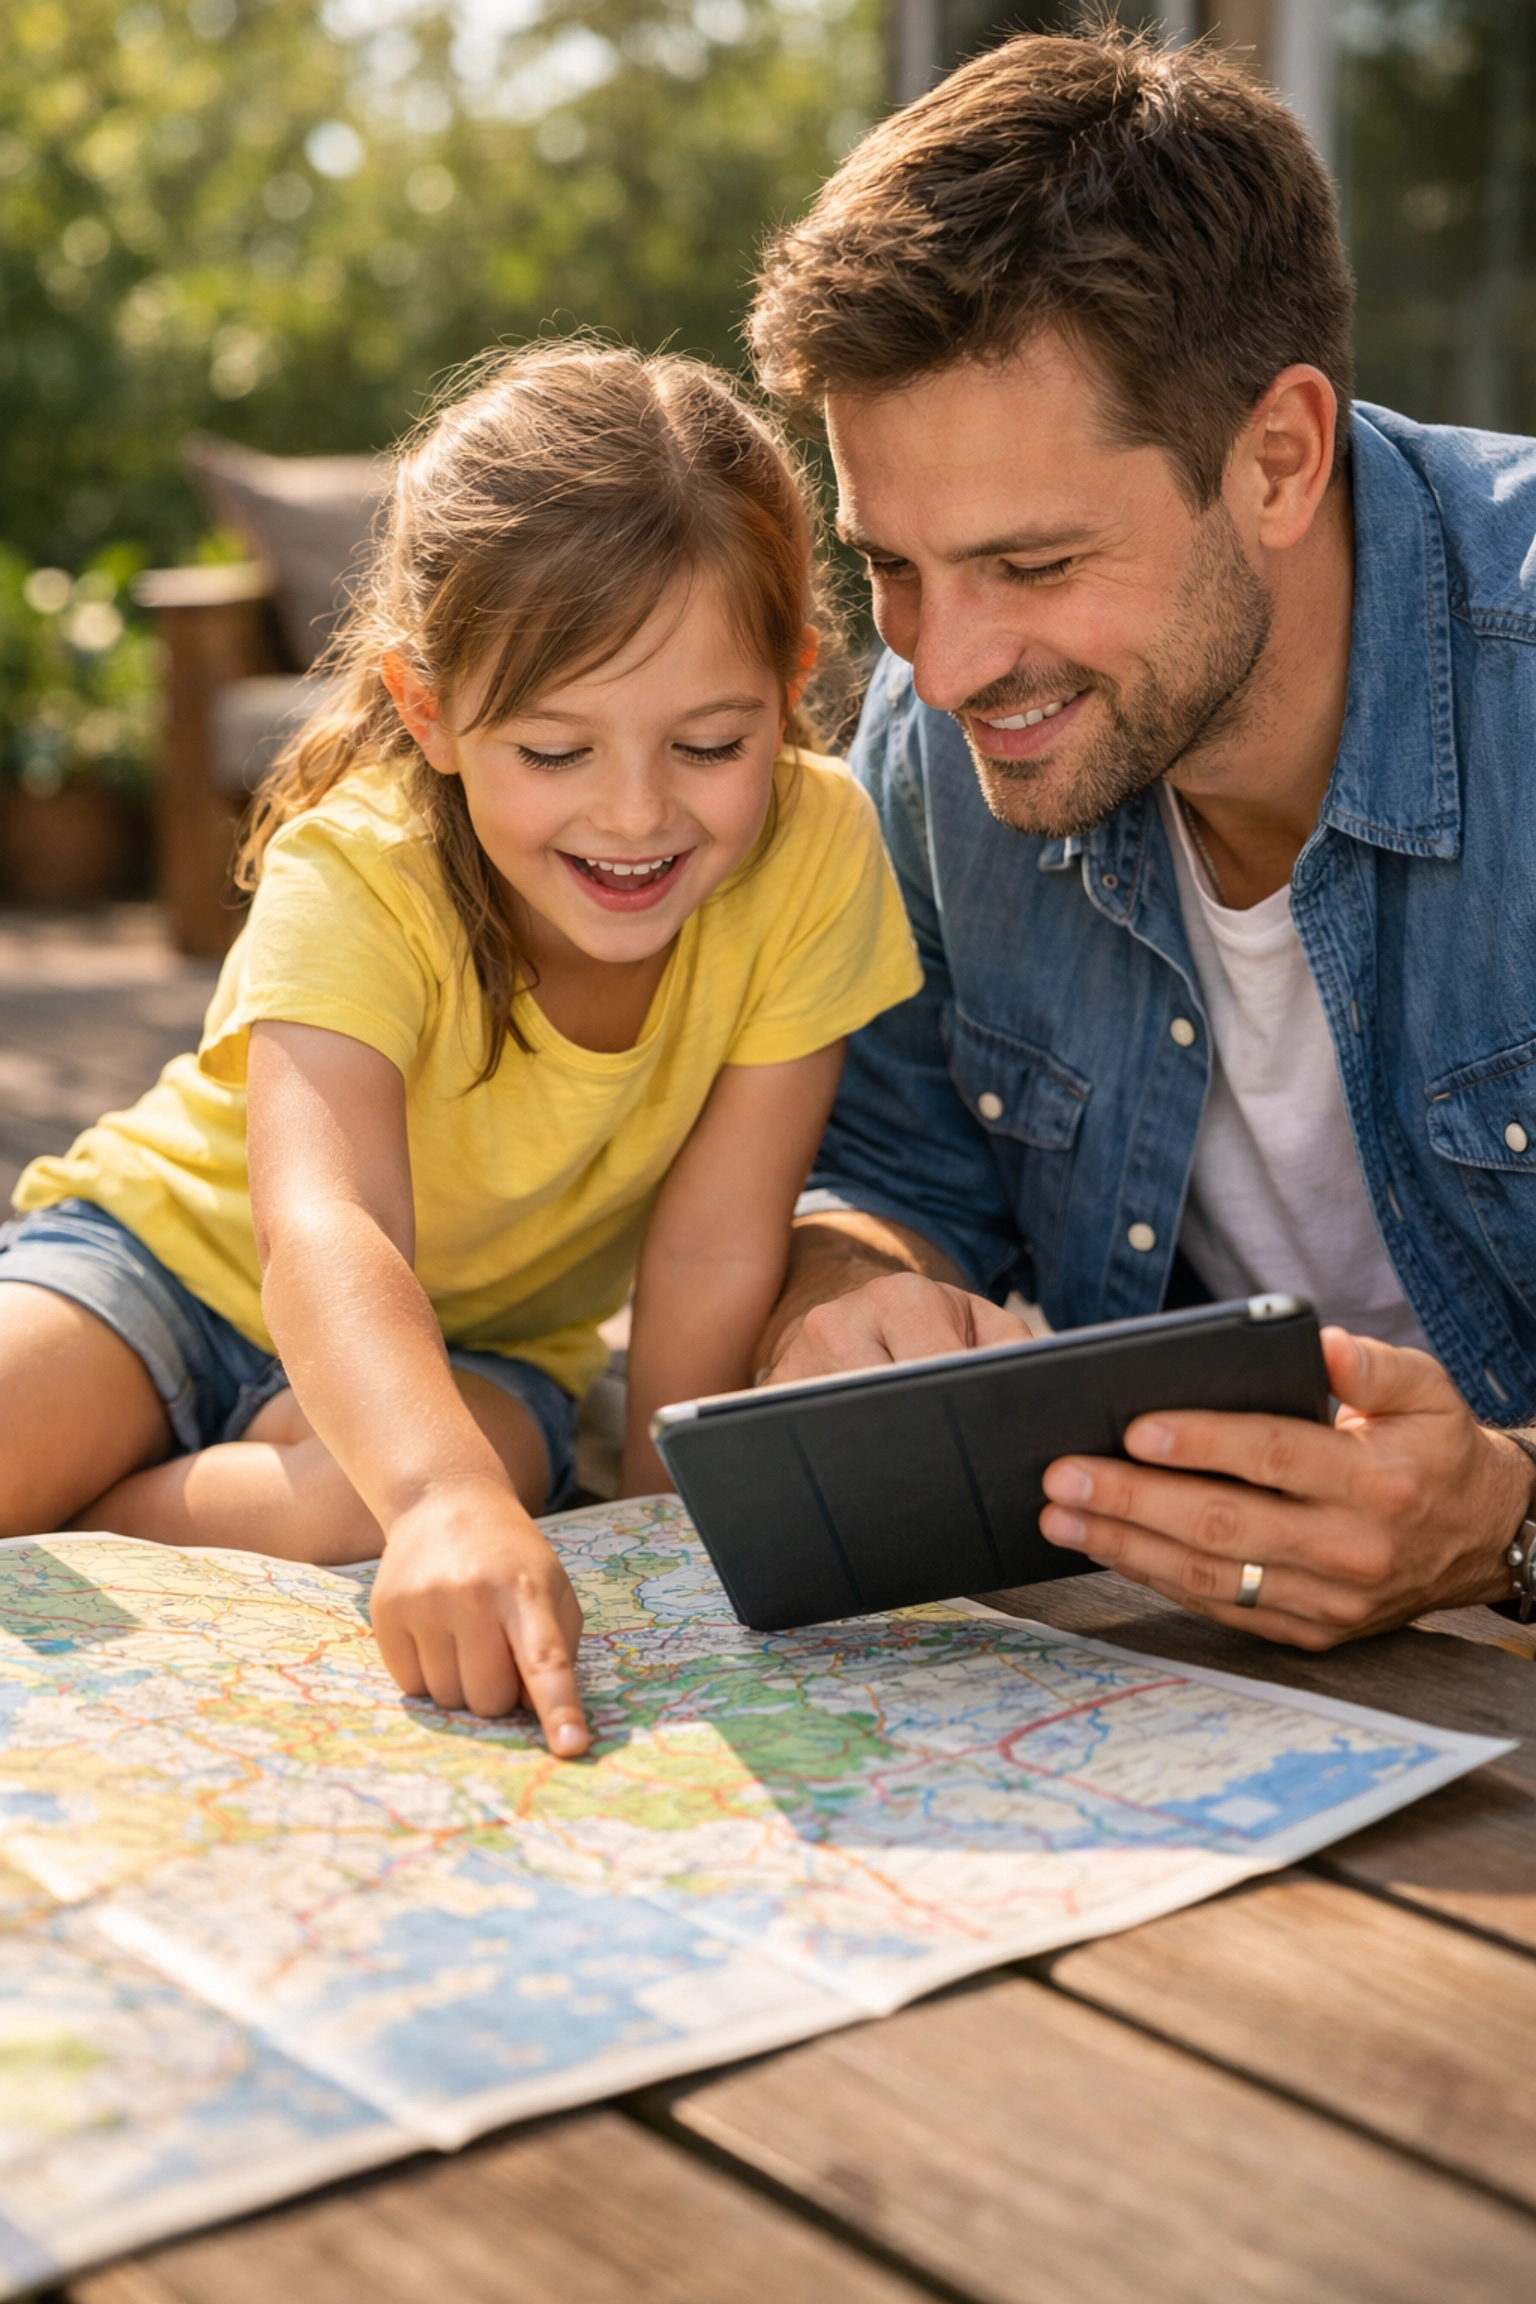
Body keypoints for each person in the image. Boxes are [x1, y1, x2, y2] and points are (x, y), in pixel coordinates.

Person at [0, 344, 921, 1744]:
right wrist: (433, 1503)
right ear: (429, 709)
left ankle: (88, 1512)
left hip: (477, 1349)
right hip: (166, 1266)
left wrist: (662, 1543)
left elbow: (715, 1245)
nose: (633, 816)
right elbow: (326, 1221)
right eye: (555, 753)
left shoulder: (818, 851)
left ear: (792, 678)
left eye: (711, 744)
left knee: (377, 1498)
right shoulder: (357, 867)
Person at [745, 28, 1536, 1648]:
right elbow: (888, 1171)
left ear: (1278, 459)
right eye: (890, 564)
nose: (943, 666)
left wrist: (1507, 1526)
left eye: (1031, 567)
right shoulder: (931, 742)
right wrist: (846, 1298)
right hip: (1210, 1686)